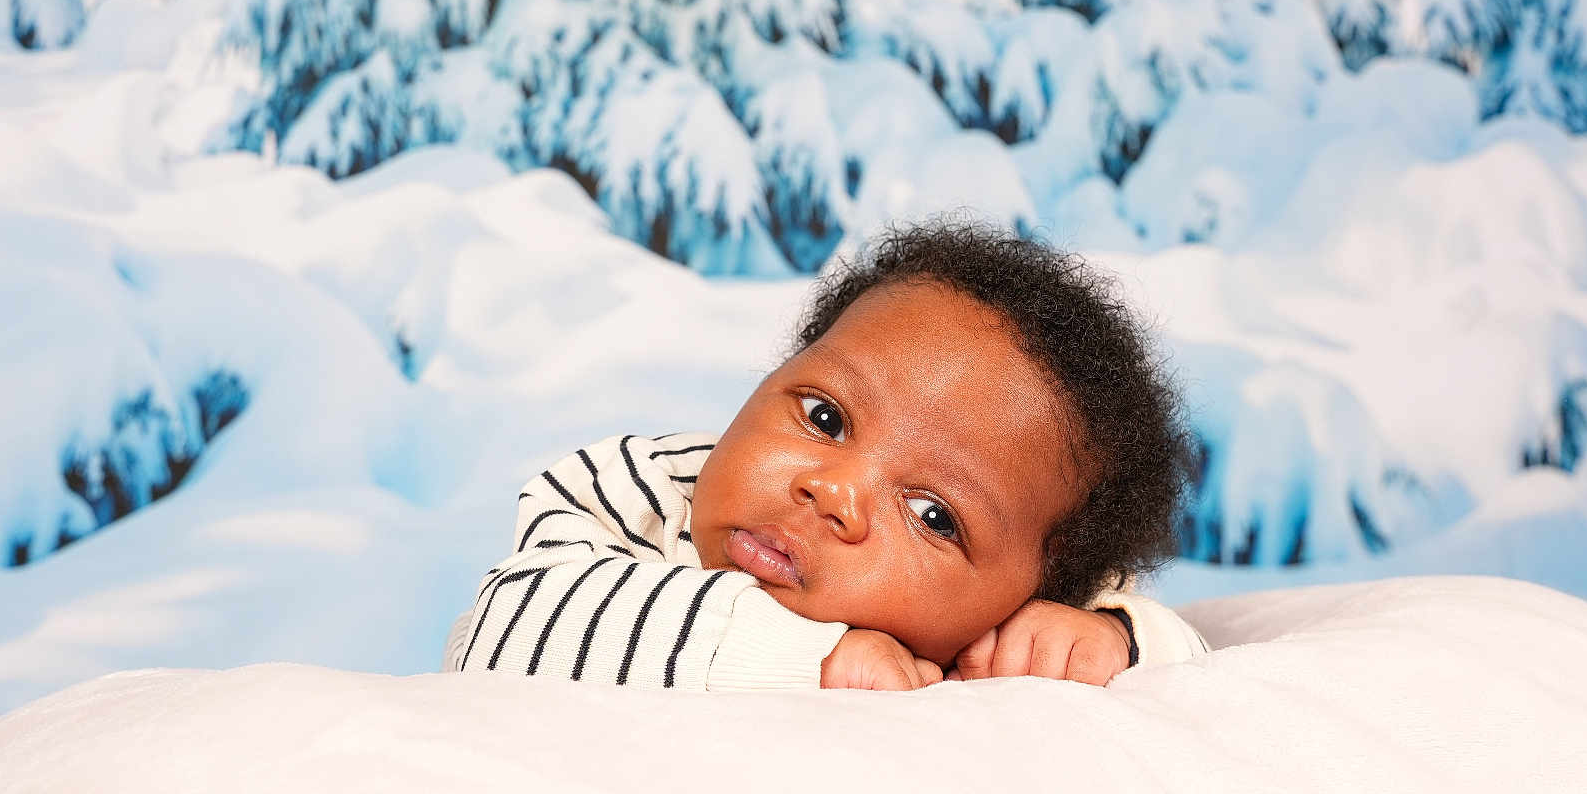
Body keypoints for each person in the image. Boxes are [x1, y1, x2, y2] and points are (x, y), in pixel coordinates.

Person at [441, 217, 1210, 690]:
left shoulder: (997, 634)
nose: (834, 492)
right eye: (825, 416)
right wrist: (807, 658)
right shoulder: (639, 493)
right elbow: (500, 632)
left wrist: (1108, 640)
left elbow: (1191, 662)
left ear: (1021, 594)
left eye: (934, 514)